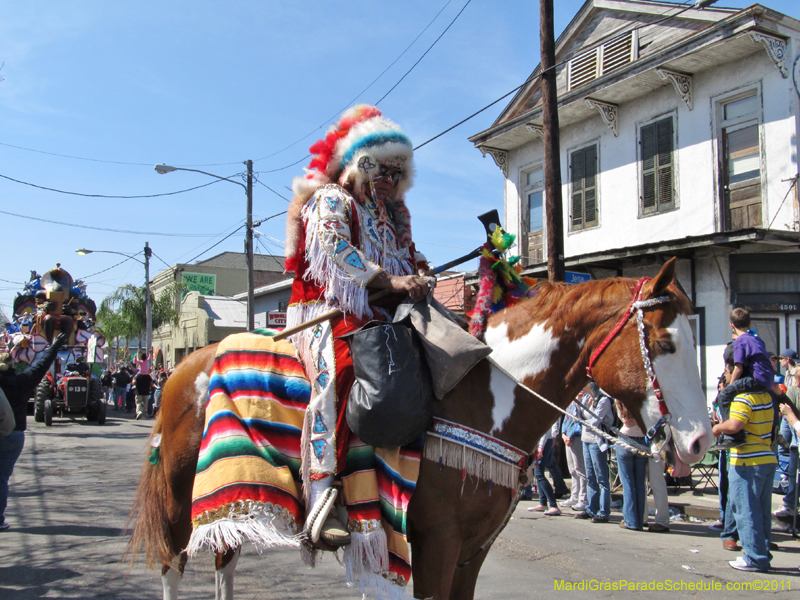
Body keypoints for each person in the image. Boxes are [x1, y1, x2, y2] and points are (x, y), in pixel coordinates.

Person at [285, 105, 430, 547]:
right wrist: (388, 279)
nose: (386, 179)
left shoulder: (392, 219)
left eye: (394, 172)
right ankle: (323, 490)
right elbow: (332, 251)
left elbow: (409, 263)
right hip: (324, 310)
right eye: (377, 169)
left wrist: (421, 276)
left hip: (378, 314)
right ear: (356, 166)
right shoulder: (333, 201)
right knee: (342, 370)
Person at [712, 360, 778, 572]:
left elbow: (735, 425)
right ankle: (762, 552)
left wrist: (718, 428)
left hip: (747, 459)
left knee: (746, 510)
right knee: (762, 512)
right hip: (767, 457)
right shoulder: (767, 396)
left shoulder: (743, 398)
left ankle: (754, 557)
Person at [0, 333, 67, 530]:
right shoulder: (22, 381)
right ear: (13, 366)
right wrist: (53, 347)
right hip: (13, 434)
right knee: (2, 477)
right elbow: (41, 366)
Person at [715, 308, 774, 450]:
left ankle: (734, 436)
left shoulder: (740, 342)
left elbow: (739, 368)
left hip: (757, 379)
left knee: (724, 396)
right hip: (767, 380)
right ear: (750, 323)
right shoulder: (756, 339)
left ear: (732, 325)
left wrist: (730, 385)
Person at [574, 383, 613, 523]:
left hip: (597, 442)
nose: (583, 387)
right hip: (585, 440)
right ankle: (591, 508)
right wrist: (578, 403)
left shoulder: (604, 400)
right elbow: (575, 417)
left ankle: (603, 511)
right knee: (590, 476)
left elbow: (595, 421)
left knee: (601, 477)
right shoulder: (585, 399)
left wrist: (582, 420)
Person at [615, 400, 648, 531]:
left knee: (628, 483)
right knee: (640, 483)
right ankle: (639, 520)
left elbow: (621, 418)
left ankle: (630, 520)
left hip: (626, 439)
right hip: (642, 440)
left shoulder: (621, 404)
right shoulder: (642, 404)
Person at [529, 421, 562, 516]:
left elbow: (545, 428)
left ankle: (553, 505)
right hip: (542, 441)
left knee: (539, 473)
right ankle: (543, 502)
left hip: (545, 441)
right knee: (538, 472)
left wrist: (541, 447)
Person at [560, 399, 587, 512]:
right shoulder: (569, 403)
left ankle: (583, 498)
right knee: (572, 469)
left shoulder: (582, 403)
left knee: (580, 469)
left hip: (576, 438)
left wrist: (569, 436)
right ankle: (574, 496)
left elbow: (578, 421)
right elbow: (565, 421)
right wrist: (563, 435)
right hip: (568, 439)